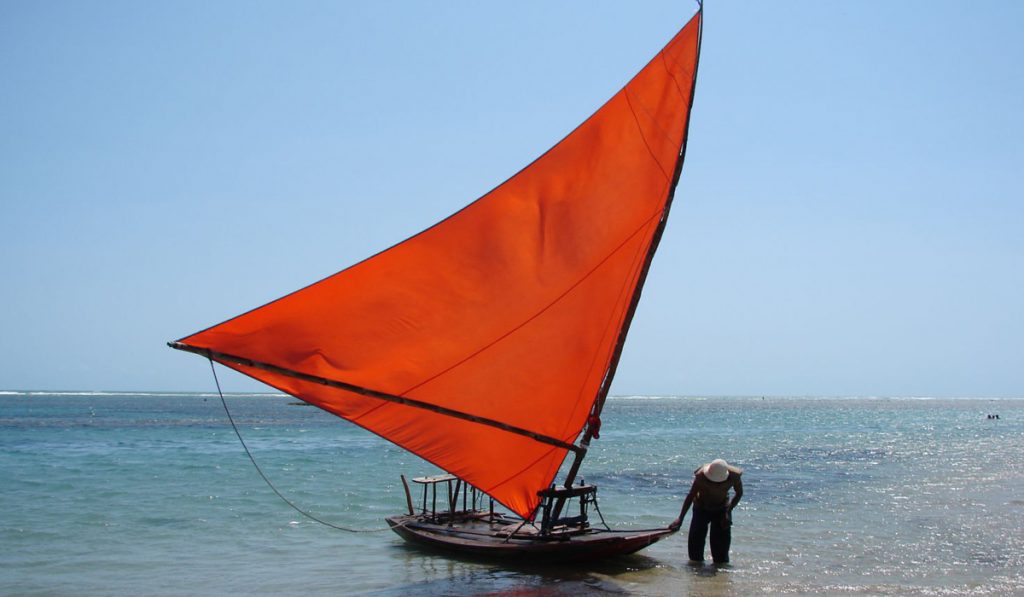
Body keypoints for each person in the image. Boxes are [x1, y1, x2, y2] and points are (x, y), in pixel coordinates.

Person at [669, 458, 743, 564]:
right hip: (701, 508)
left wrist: (728, 511)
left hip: (722, 509)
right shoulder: (701, 476)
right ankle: (696, 575)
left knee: (721, 555)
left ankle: (719, 576)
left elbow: (739, 493)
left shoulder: (734, 476)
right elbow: (691, 496)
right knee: (695, 550)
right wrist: (680, 518)